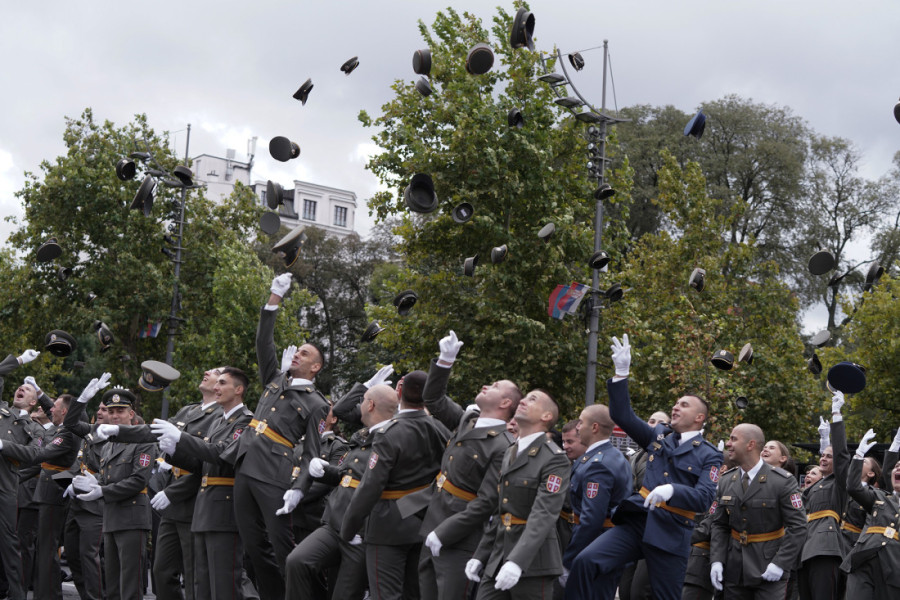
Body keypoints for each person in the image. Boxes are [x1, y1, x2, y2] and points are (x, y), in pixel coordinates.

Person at [572, 335, 721, 600]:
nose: (676, 406)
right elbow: (623, 416)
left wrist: (672, 490)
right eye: (676, 403)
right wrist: (621, 374)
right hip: (638, 521)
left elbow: (704, 498)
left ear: (700, 418)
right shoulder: (658, 436)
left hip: (672, 531)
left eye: (684, 405)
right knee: (586, 561)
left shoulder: (709, 455)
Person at [230, 273, 330, 600]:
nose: (296, 355)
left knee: (283, 548)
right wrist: (274, 297)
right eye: (296, 352)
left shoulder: (316, 403)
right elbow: (263, 342)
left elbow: (312, 453)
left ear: (315, 368)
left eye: (304, 354)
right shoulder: (276, 378)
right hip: (246, 465)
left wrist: (299, 490)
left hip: (273, 475)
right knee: (253, 548)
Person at [99, 366, 225, 600]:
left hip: (194, 501)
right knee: (162, 573)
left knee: (194, 573)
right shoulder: (188, 411)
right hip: (171, 506)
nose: (206, 372)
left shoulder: (221, 416)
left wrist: (173, 492)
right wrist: (118, 431)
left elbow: (207, 465)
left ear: (225, 383)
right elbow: (152, 432)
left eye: (216, 371)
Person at [418, 331, 521, 600]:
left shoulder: (504, 445)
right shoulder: (468, 421)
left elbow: (486, 502)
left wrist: (444, 533)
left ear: (505, 403)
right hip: (433, 521)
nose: (487, 386)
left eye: (495, 385)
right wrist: (445, 361)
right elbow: (434, 400)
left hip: (461, 539)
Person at [285, 381, 402, 599]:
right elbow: (348, 473)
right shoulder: (364, 435)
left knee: (344, 595)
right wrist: (326, 471)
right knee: (297, 561)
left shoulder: (392, 437)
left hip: (361, 530)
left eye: (363, 400)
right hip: (335, 522)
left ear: (370, 406)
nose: (359, 406)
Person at [340, 372, 450, 600]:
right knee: (415, 593)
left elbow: (370, 487)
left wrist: (349, 527)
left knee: (385, 594)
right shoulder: (440, 429)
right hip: (426, 520)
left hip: (388, 525)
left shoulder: (389, 433)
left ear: (399, 393)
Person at [154, 367, 254, 599]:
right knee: (202, 583)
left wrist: (181, 438)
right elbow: (200, 464)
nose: (216, 388)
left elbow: (221, 454)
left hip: (223, 508)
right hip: (204, 507)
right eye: (216, 382)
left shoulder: (246, 421)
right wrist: (174, 453)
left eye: (222, 383)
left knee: (224, 583)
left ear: (238, 390)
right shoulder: (218, 422)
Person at [464, 389, 570, 599]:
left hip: (533, 562)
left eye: (533, 399)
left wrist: (517, 561)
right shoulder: (511, 452)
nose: (522, 401)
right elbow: (501, 510)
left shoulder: (554, 459)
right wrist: (481, 554)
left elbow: (544, 514)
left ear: (546, 416)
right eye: (524, 397)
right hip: (499, 556)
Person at [73, 387, 155, 600]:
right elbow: (107, 476)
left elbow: (138, 480)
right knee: (113, 584)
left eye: (121, 410)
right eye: (111, 411)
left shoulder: (142, 440)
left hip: (132, 517)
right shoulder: (109, 444)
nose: (115, 415)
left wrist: (102, 491)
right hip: (111, 517)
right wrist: (95, 482)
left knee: (129, 584)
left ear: (131, 413)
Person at [709, 423, 807, 598]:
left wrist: (780, 563)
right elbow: (719, 525)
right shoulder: (726, 480)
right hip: (734, 569)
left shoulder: (782, 481)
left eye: (733, 439)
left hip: (768, 567)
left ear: (750, 445)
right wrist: (716, 560)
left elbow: (798, 527)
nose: (728, 444)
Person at [565, 404, 632, 600]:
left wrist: (569, 560)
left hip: (593, 548)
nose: (577, 427)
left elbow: (591, 520)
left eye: (581, 422)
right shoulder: (609, 456)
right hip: (605, 546)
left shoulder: (598, 464)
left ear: (594, 427)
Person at [798, 390, 850, 600]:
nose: (823, 459)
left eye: (829, 457)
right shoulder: (812, 488)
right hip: (803, 546)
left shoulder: (839, 483)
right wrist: (824, 439)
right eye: (822, 456)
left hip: (825, 548)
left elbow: (840, 455)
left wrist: (836, 416)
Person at [0, 347, 42, 600]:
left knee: (8, 544)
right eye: (20, 387)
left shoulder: (32, 428)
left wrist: (4, 446)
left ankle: (17, 595)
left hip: (4, 486)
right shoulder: (1, 408)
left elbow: (35, 454)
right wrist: (18, 360)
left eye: (27, 390)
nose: (21, 389)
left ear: (33, 402)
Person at [841, 429, 900, 599]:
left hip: (894, 569)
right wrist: (859, 455)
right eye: (896, 467)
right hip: (863, 561)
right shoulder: (879, 496)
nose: (898, 469)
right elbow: (853, 487)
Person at [619, 410, 670, 600]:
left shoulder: (666, 455)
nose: (654, 425)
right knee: (624, 588)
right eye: (651, 420)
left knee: (640, 591)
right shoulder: (636, 455)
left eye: (661, 423)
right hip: (632, 523)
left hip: (654, 525)